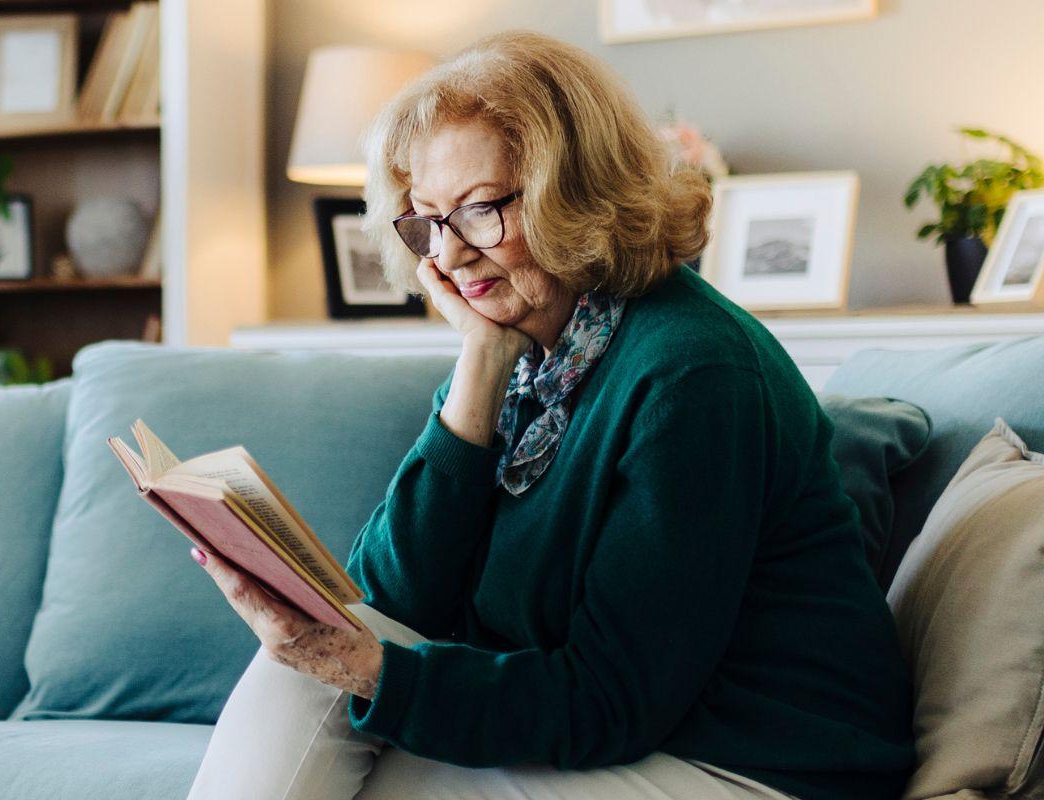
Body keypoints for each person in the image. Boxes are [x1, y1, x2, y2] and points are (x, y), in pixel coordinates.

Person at [186, 30, 914, 800]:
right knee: (302, 674)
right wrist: (479, 365)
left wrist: (368, 670)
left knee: (346, 712)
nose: (448, 256)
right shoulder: (526, 352)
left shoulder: (692, 371)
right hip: (626, 734)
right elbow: (388, 605)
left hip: (759, 760)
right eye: (427, 220)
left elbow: (616, 697)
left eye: (479, 210)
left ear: (577, 195)